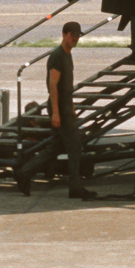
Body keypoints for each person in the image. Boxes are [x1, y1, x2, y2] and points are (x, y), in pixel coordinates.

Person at [48, 21, 95, 199]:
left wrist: (72, 107)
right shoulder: (58, 56)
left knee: (54, 147)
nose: (75, 38)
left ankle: (24, 173)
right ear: (64, 35)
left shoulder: (67, 55)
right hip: (59, 107)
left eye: (77, 35)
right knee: (75, 146)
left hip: (66, 106)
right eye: (72, 35)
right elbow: (52, 85)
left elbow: (66, 86)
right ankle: (75, 188)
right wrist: (56, 112)